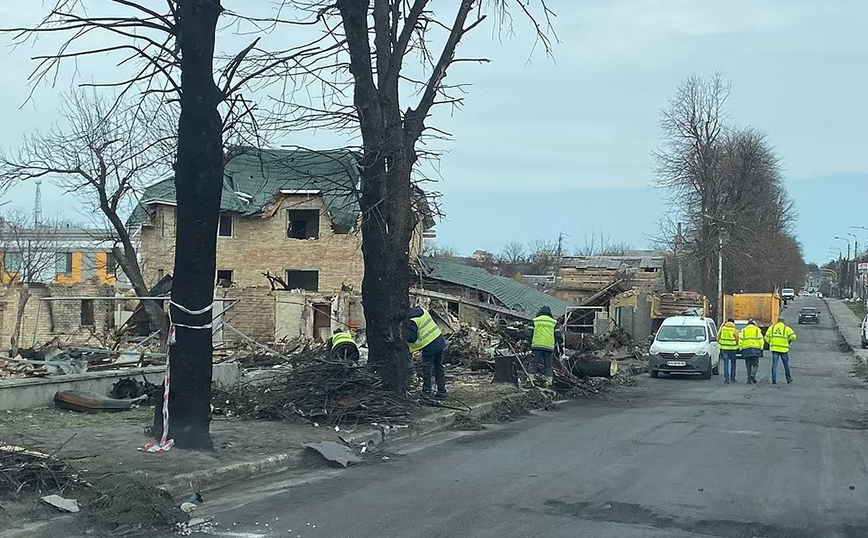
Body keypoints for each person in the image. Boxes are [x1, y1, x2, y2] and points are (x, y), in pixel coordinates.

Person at [408, 305, 447, 399]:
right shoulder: (421, 310)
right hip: (439, 339)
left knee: (427, 369)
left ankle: (427, 391)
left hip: (429, 345)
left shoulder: (411, 321)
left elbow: (412, 338)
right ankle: (442, 391)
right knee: (439, 367)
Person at [528, 305, 562, 387]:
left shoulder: (535, 321)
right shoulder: (554, 322)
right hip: (549, 346)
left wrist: (526, 344)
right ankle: (548, 381)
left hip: (537, 345)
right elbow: (558, 335)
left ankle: (531, 379)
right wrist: (559, 345)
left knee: (534, 362)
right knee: (548, 364)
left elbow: (529, 334)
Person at [765, 317, 797, 384]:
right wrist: (789, 340)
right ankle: (788, 379)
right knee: (786, 365)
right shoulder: (786, 329)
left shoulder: (772, 328)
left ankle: (774, 380)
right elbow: (794, 337)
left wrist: (771, 342)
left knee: (774, 364)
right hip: (784, 349)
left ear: (777, 321)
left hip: (774, 349)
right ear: (783, 322)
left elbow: (766, 337)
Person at [739, 319, 764, 384]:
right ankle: (753, 375)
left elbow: (740, 340)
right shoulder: (757, 330)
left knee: (748, 365)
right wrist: (761, 348)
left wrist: (740, 348)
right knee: (755, 364)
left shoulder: (743, 330)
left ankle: (749, 379)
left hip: (746, 349)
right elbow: (761, 340)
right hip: (756, 349)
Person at [718, 318, 740, 384]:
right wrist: (737, 345)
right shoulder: (734, 330)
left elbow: (718, 336)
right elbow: (737, 339)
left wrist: (720, 343)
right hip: (732, 349)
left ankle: (726, 379)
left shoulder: (722, 329)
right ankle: (732, 378)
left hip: (724, 348)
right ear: (733, 323)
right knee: (733, 363)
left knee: (725, 363)